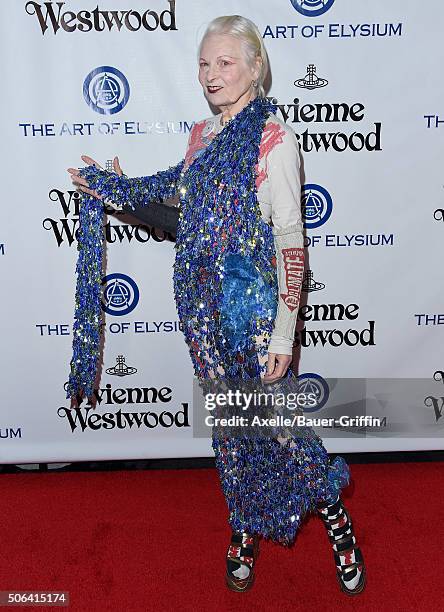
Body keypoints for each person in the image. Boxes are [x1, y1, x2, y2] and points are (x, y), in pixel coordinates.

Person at [67, 15, 366, 596]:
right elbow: (186, 223)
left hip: (253, 320)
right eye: (205, 63)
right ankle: (244, 528)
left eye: (225, 62)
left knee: (286, 433)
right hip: (203, 322)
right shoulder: (201, 141)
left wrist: (284, 335)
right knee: (231, 436)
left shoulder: (272, 139)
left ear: (256, 69)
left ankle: (336, 521)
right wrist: (116, 193)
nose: (211, 74)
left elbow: (289, 241)